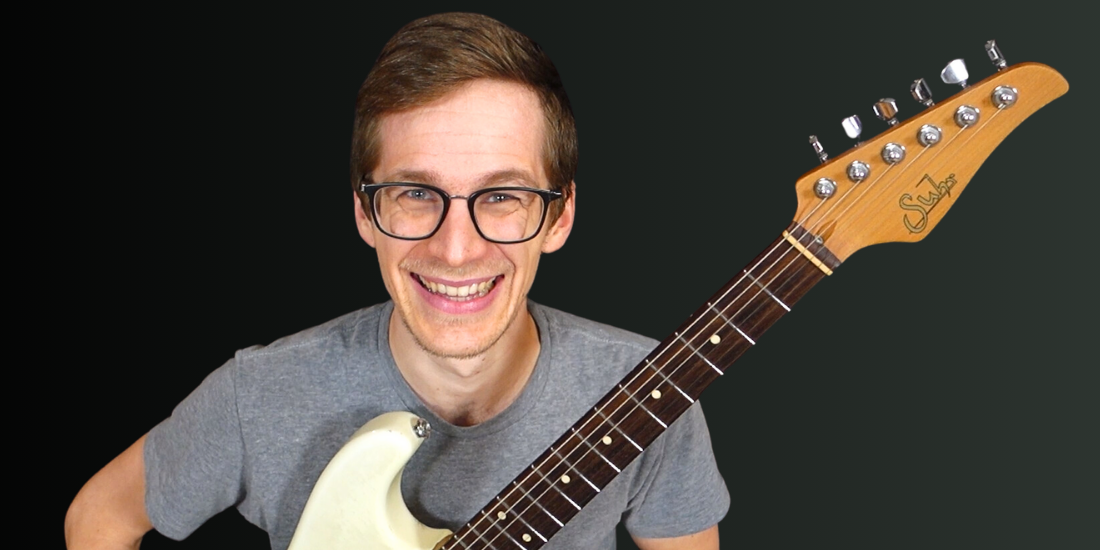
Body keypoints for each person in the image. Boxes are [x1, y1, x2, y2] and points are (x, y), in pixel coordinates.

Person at [65, 12, 729, 550]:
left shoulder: (652, 395)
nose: (457, 249)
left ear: (559, 217)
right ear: (364, 212)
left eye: (503, 196)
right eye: (415, 193)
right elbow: (98, 518)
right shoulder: (260, 396)